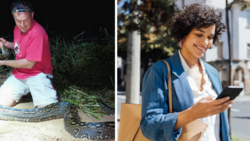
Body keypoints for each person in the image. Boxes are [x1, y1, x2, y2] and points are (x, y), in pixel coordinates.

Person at [140, 3, 233, 141]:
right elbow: (148, 126)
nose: (205, 42)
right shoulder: (159, 71)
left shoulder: (212, 72)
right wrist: (192, 113)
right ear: (184, 35)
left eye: (210, 37)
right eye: (199, 34)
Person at [0, 0, 58, 108]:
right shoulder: (17, 28)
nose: (22, 25)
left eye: (26, 20)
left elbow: (29, 63)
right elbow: (21, 46)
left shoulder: (37, 32)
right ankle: (24, 91)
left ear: (32, 14)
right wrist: (8, 44)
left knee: (47, 110)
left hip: (38, 74)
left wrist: (3, 62)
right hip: (20, 74)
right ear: (13, 17)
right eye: (18, 20)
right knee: (2, 104)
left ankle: (44, 90)